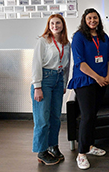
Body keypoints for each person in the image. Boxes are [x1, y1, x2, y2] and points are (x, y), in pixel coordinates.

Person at [67, 8, 109, 170]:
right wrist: (98, 78)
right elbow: (81, 63)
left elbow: (108, 59)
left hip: (101, 82)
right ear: (84, 20)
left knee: (93, 115)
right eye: (89, 18)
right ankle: (81, 154)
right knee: (86, 116)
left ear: (99, 20)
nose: (92, 20)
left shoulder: (103, 37)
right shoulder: (78, 37)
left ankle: (90, 146)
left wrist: (107, 76)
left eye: (95, 18)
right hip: (85, 81)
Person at [31, 14, 70, 165]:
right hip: (45, 81)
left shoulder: (67, 43)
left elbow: (67, 65)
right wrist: (37, 87)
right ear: (49, 25)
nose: (55, 26)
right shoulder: (42, 41)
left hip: (59, 81)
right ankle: (41, 152)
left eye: (58, 23)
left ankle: (53, 146)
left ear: (63, 25)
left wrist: (64, 84)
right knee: (42, 119)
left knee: (55, 118)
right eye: (52, 23)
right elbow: (36, 64)